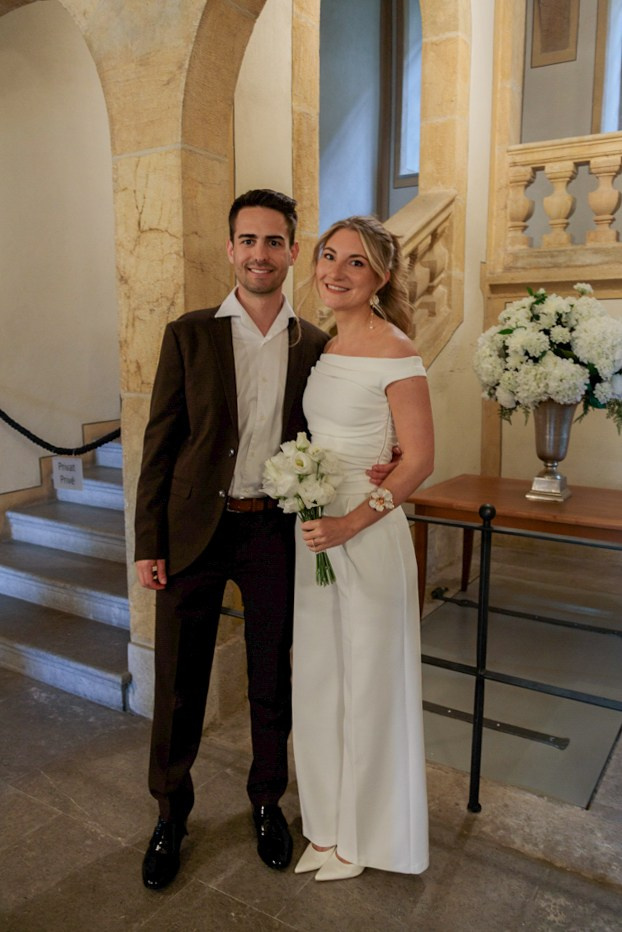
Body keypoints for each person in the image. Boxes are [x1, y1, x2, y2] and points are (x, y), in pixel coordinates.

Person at [134, 190, 395, 891]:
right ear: (230, 250)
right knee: (178, 682)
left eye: (274, 241)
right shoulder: (188, 334)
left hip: (273, 534)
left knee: (272, 678)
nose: (260, 253)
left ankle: (265, 802)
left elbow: (341, 424)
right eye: (247, 240)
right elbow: (160, 445)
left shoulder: (316, 344)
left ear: (292, 252)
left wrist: (385, 459)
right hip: (192, 531)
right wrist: (147, 541)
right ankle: (170, 815)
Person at [291, 215, 434, 881]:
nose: (336, 271)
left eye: (355, 262)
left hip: (366, 534)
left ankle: (367, 838)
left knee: (371, 684)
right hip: (315, 530)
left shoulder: (397, 351)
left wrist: (351, 523)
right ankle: (326, 826)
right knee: (322, 681)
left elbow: (420, 460)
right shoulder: (323, 347)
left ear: (380, 277)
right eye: (329, 256)